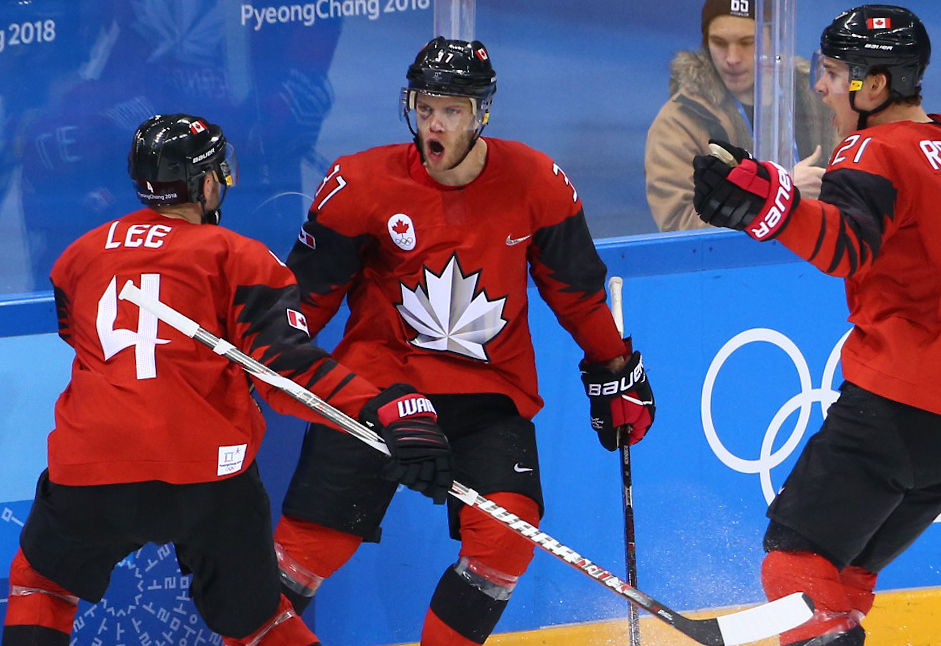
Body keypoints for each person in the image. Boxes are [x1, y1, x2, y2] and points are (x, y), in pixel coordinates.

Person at [1, 114, 453, 646]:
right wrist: (379, 409)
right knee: (261, 622)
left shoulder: (76, 257)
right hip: (207, 476)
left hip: (92, 466)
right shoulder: (237, 258)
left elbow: (83, 342)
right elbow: (287, 376)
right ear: (208, 183)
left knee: (41, 585)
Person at [272, 37, 656, 646]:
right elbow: (304, 303)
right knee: (304, 554)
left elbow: (576, 292)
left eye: (450, 111)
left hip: (487, 393)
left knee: (508, 534)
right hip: (376, 390)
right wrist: (260, 362)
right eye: (425, 109)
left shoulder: (536, 181)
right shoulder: (359, 184)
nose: (434, 125)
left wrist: (615, 370)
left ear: (482, 113)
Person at [692, 5, 939, 645]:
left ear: (875, 85)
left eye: (831, 73)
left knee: (797, 563)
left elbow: (845, 246)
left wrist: (770, 207)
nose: (821, 86)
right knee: (843, 572)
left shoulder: (872, 148)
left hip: (894, 405)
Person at [645, 0, 834, 232]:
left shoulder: (821, 99)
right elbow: (680, 227)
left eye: (747, 42)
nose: (732, 58)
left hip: (818, 255)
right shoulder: (680, 120)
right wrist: (780, 192)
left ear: (775, 42)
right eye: (719, 43)